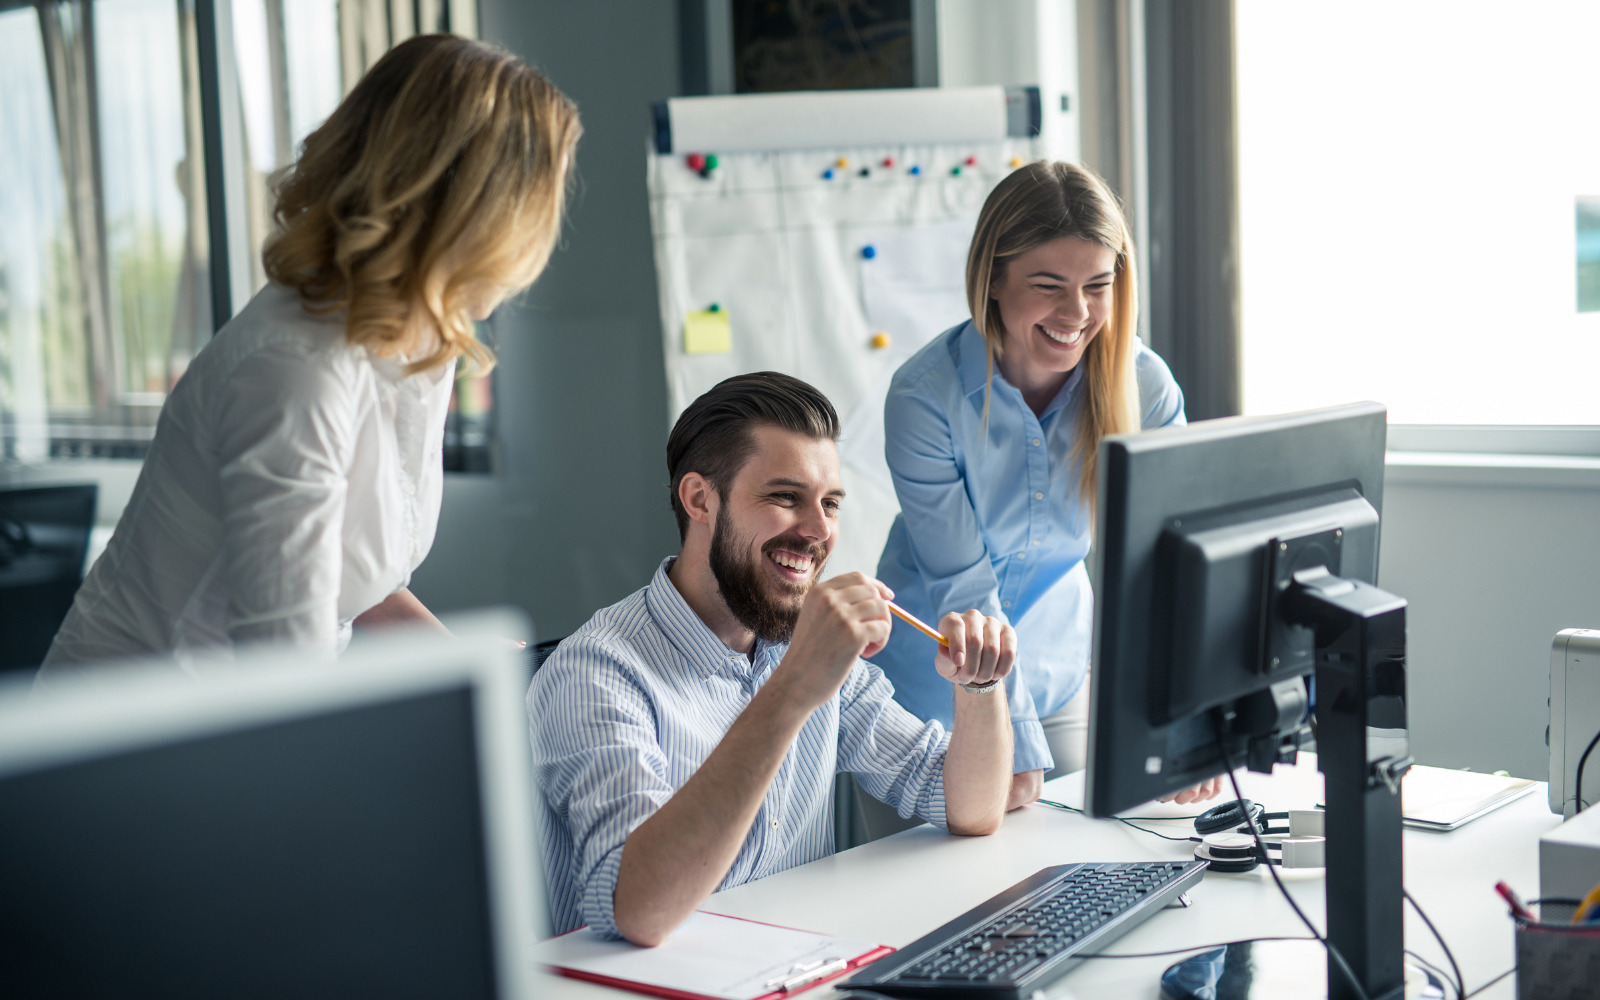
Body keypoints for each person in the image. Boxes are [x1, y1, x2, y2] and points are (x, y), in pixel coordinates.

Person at [40, 36, 580, 671]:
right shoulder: (295, 369)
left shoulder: (415, 342)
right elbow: (285, 667)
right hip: (140, 730)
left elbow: (350, 578)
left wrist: (469, 667)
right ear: (479, 214)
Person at [529, 372, 1017, 945]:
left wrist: (979, 685)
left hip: (798, 967)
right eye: (786, 497)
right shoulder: (594, 673)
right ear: (699, 499)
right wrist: (794, 689)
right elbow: (638, 910)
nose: (818, 531)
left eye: (830, 503)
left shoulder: (801, 642)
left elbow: (970, 807)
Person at [868, 161, 1222, 811]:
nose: (1077, 313)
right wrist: (1012, 746)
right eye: (1049, 285)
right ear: (994, 279)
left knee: (1095, 870)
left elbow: (1169, 566)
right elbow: (965, 592)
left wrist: (1183, 709)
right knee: (936, 900)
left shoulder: (1143, 388)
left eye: (1097, 285)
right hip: (928, 692)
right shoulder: (926, 398)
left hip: (1061, 674)